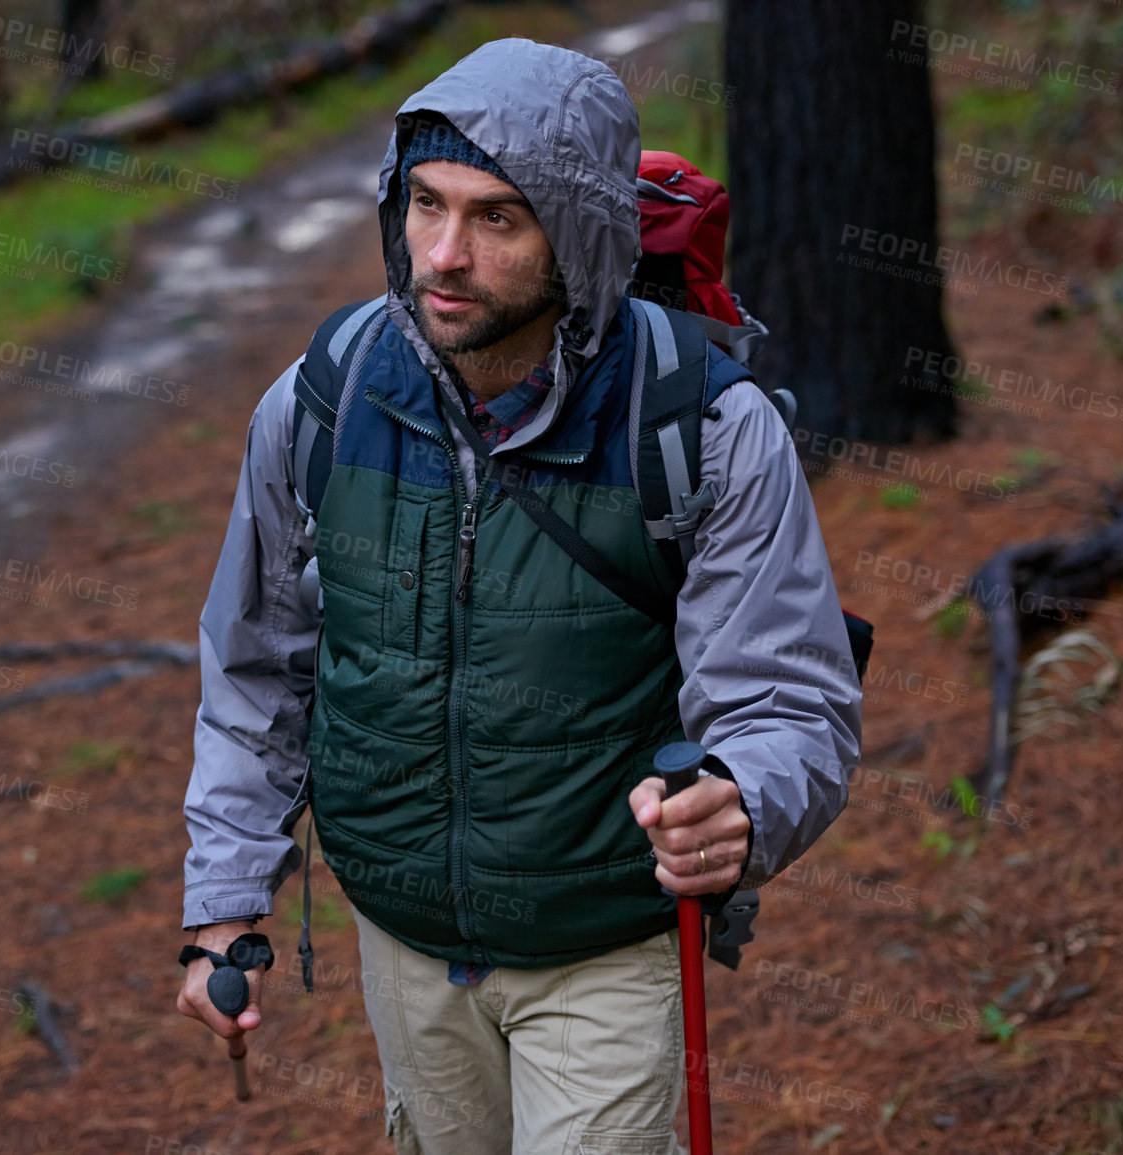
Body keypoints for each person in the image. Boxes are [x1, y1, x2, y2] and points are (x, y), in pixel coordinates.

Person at [177, 37, 862, 1155]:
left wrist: (742, 800)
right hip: (403, 946)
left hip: (607, 946)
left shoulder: (703, 429)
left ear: (580, 237)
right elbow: (257, 666)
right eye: (426, 205)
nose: (444, 255)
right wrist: (223, 899)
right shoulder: (322, 401)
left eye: (498, 218)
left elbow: (793, 705)